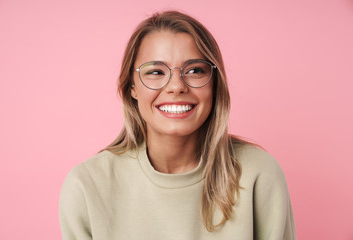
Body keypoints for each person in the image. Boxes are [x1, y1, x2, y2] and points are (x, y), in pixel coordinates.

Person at [59, 10, 296, 240]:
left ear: (214, 83)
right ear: (131, 87)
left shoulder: (258, 174)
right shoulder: (86, 185)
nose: (176, 86)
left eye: (194, 70)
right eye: (155, 72)